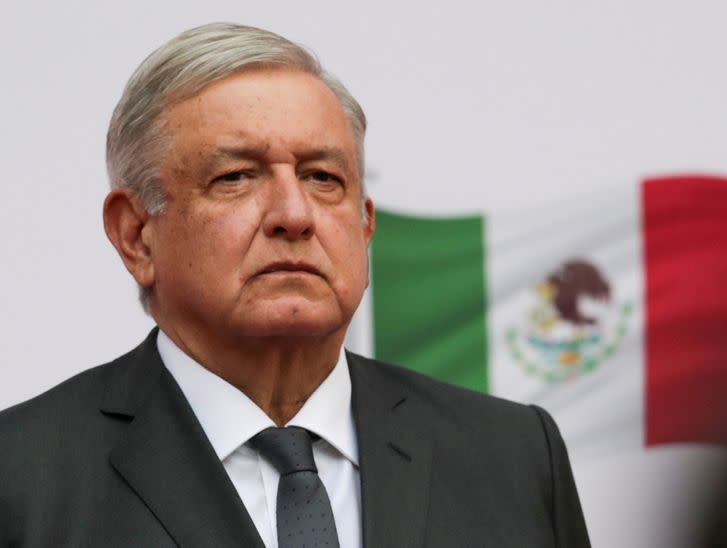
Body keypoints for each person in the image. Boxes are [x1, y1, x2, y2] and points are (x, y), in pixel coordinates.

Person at [0, 22, 590, 547]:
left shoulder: (512, 454)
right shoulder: (22, 476)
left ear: (365, 225)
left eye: (322, 177)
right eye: (235, 177)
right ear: (136, 235)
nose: (294, 213)